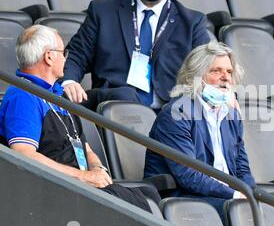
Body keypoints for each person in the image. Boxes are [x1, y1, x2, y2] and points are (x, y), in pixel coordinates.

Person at [0, 25, 161, 212]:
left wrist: (97, 168)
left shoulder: (58, 95)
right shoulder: (24, 96)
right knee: (140, 207)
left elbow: (84, 146)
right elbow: (24, 154)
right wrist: (83, 177)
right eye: (63, 52)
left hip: (80, 185)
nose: (65, 58)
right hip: (56, 190)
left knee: (149, 196)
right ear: (49, 57)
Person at [62, 0, 210, 111]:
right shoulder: (103, 12)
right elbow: (76, 55)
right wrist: (69, 81)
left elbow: (208, 67)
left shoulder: (192, 22)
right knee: (125, 96)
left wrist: (222, 94)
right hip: (116, 106)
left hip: (169, 112)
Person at [144, 42, 256, 220]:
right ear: (195, 77)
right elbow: (189, 175)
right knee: (243, 215)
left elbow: (242, 169)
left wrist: (249, 193)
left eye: (228, 72)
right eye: (216, 70)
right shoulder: (176, 114)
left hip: (224, 197)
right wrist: (235, 195)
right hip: (187, 198)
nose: (225, 77)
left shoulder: (231, 115)